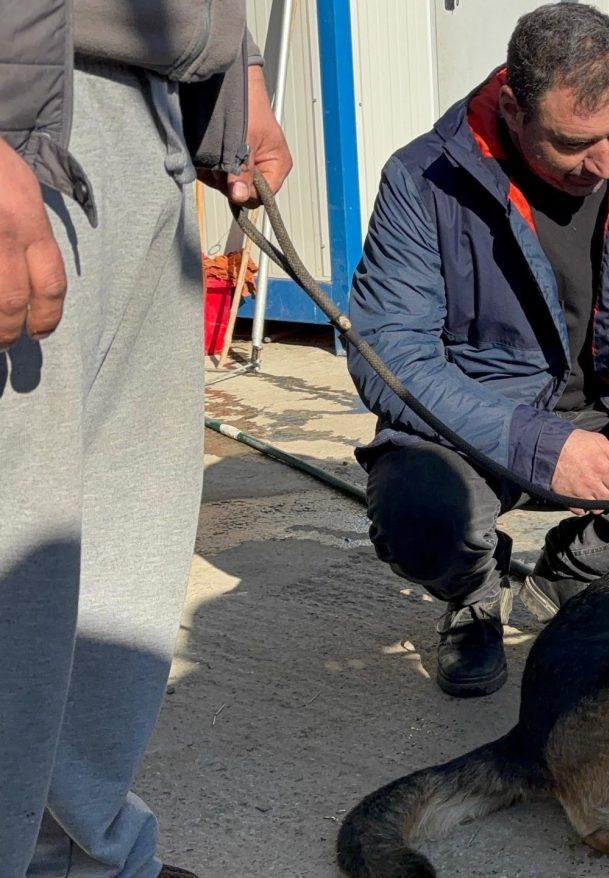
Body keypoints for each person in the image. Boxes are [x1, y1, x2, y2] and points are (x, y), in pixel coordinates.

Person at [347, 5, 609, 700]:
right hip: (483, 421)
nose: (607, 162)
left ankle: (566, 582)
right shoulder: (424, 180)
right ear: (514, 109)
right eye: (577, 143)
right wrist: (540, 445)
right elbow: (388, 355)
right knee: (422, 513)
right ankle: (478, 596)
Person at [0, 4, 292, 876]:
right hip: (22, 126)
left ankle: (79, 859)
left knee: (114, 576)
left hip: (144, 110)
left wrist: (231, 70)